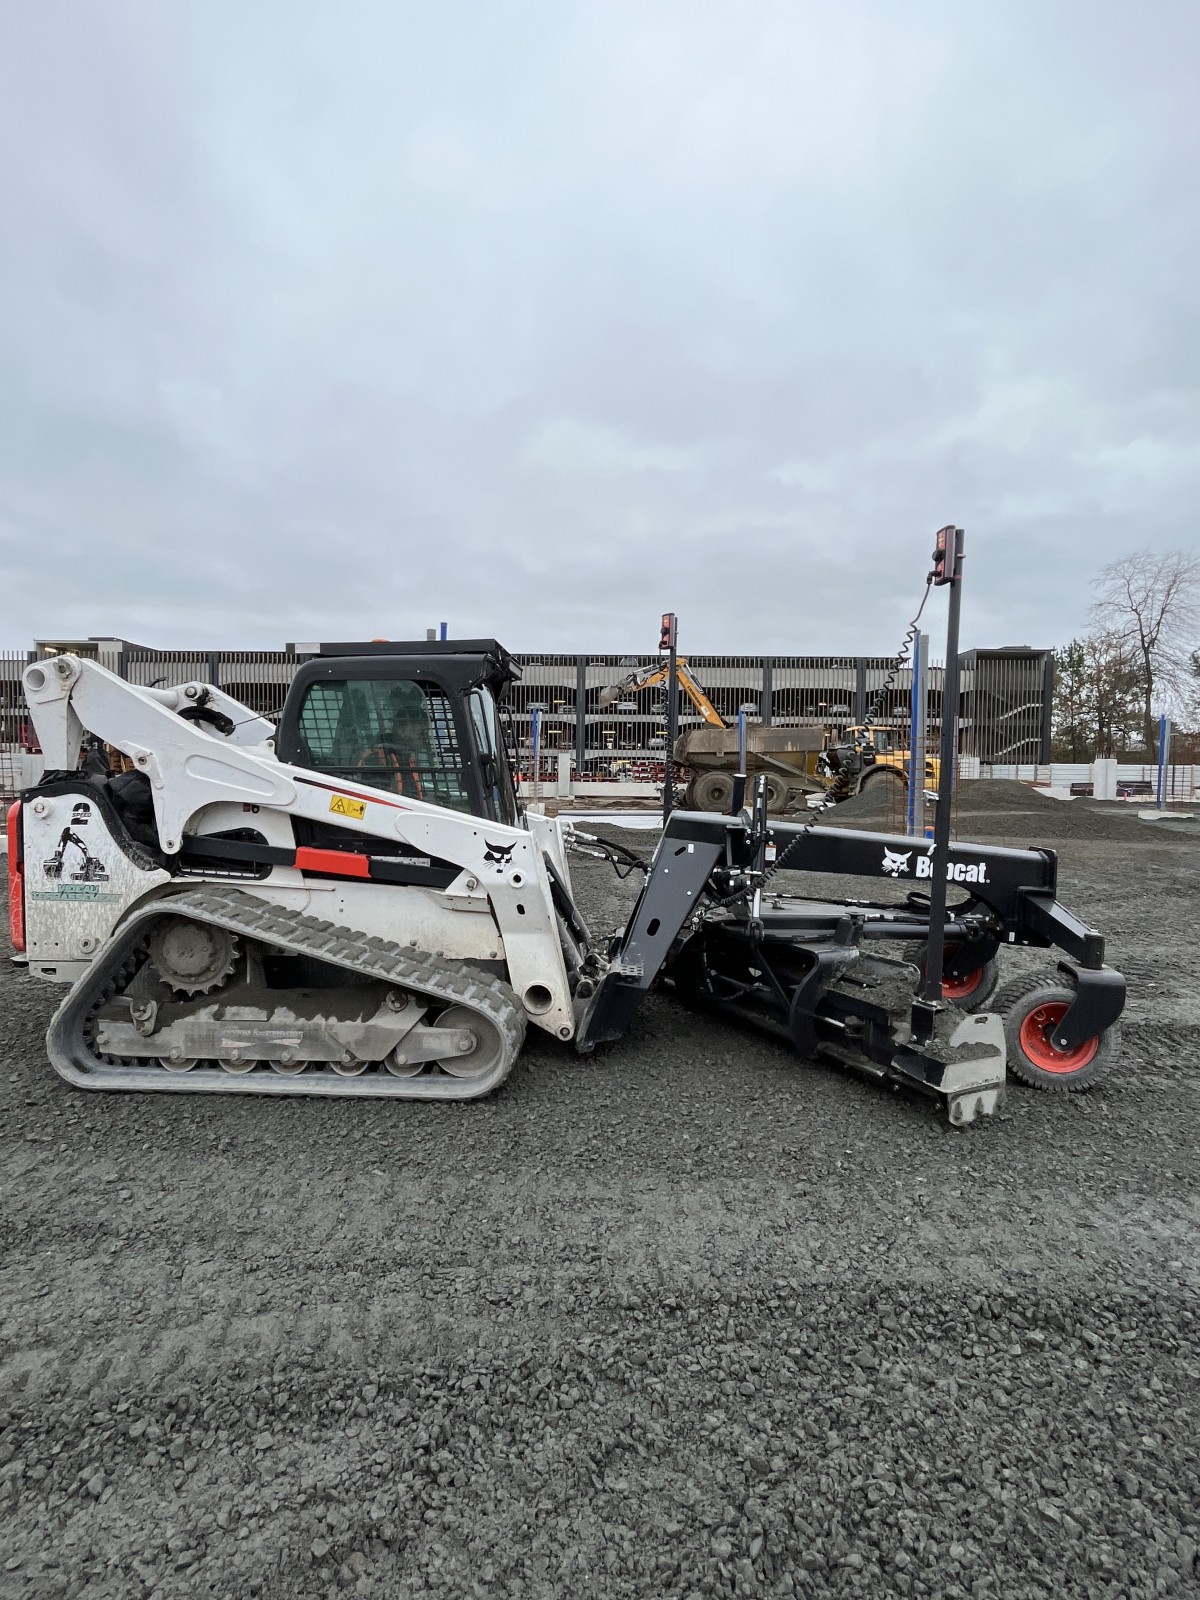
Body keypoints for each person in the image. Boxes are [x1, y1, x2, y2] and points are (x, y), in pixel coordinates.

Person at [358, 692, 430, 799]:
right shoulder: (376, 759)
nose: (426, 740)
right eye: (422, 733)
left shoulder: (407, 758)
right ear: (402, 730)